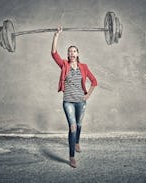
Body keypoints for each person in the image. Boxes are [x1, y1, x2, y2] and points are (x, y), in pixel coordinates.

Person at [51, 27, 97, 168]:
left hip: (81, 102)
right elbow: (54, 53)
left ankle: (76, 142)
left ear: (78, 54)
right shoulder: (64, 65)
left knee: (78, 125)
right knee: (72, 127)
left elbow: (94, 82)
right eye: (70, 51)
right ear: (68, 54)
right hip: (68, 102)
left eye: (74, 51)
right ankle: (71, 157)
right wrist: (56, 35)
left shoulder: (84, 67)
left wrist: (87, 96)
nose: (72, 53)